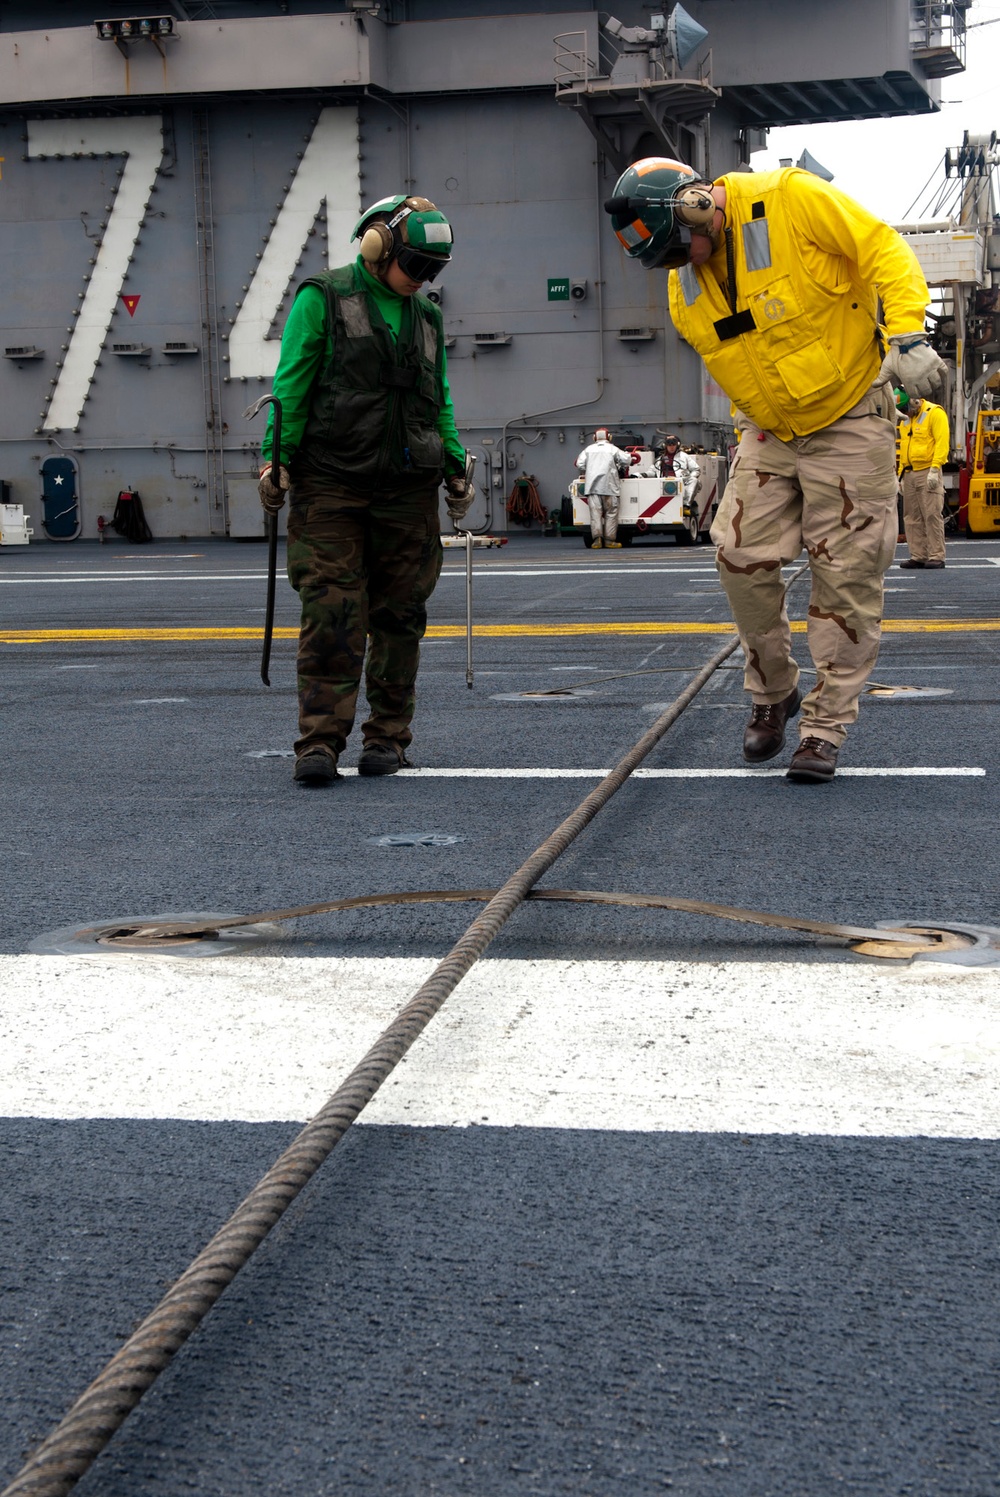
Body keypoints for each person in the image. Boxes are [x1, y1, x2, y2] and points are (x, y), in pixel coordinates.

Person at [605, 157, 945, 782]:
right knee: (737, 554)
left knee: (845, 579)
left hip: (847, 420)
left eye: (685, 247)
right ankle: (774, 692)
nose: (686, 264)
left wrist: (906, 336)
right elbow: (738, 357)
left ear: (698, 205)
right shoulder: (685, 281)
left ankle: (823, 727)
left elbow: (881, 249)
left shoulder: (791, 199)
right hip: (769, 432)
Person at [258, 194, 473, 787]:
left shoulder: (426, 318)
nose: (422, 279)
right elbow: (292, 383)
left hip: (407, 491)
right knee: (333, 610)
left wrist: (454, 463)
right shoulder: (323, 298)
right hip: (331, 485)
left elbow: (439, 402)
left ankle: (387, 739)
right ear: (377, 246)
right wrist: (274, 460)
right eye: (416, 265)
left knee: (402, 616)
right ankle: (320, 743)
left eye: (433, 270)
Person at [895, 387, 950, 569]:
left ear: (914, 401)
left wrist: (935, 468)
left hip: (928, 470)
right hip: (909, 473)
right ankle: (918, 555)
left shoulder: (934, 413)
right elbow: (904, 447)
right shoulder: (905, 421)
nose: (904, 413)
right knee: (911, 517)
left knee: (932, 514)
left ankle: (936, 555)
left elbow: (942, 442)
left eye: (905, 409)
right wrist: (900, 475)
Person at [575, 428, 632, 548]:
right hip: (610, 487)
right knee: (611, 514)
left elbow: (579, 464)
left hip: (592, 488)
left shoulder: (588, 449)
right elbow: (627, 460)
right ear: (609, 437)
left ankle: (597, 540)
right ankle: (610, 541)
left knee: (595, 515)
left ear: (594, 438)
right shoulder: (612, 448)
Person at [657, 433, 700, 508]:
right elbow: (652, 471)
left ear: (677, 445)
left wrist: (689, 477)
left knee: (694, 480)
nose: (671, 447)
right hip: (663, 483)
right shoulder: (661, 459)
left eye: (673, 445)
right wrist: (638, 475)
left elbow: (696, 469)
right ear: (665, 446)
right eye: (669, 445)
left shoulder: (684, 456)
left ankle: (686, 504)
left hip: (681, 481)